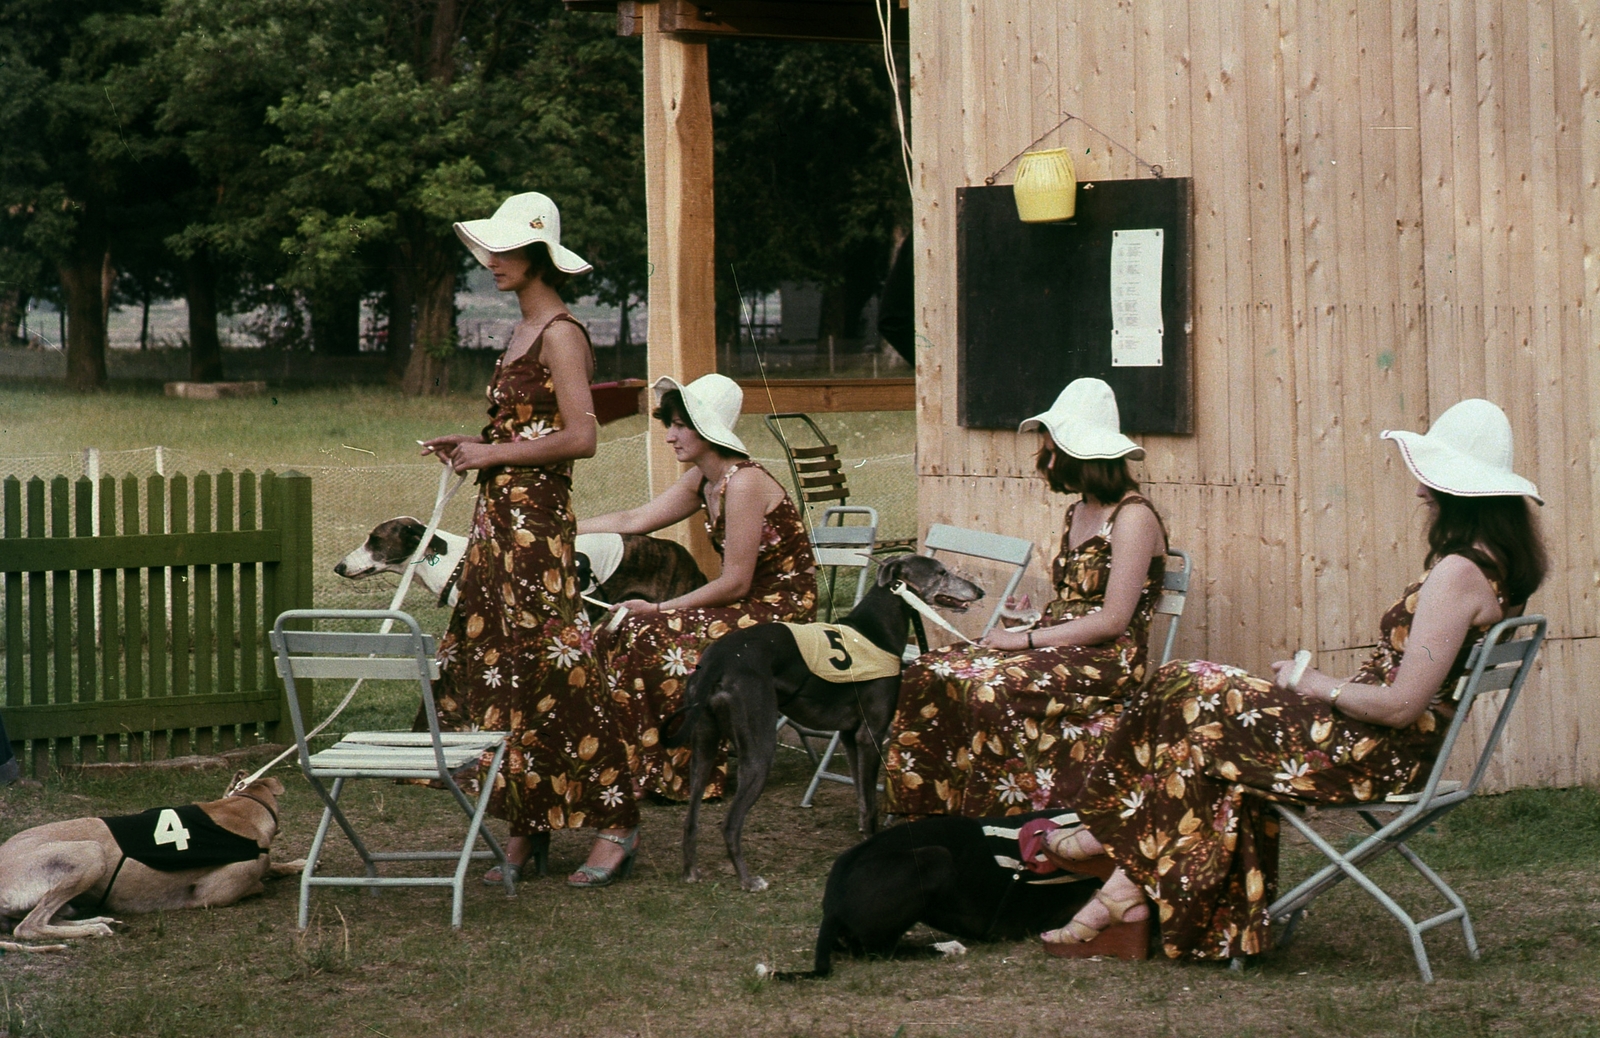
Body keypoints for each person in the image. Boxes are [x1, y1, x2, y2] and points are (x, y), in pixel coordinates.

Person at [1044, 398, 1548, 960]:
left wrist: (1315, 685)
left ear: (1460, 490)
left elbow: (1403, 705)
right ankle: (1119, 895)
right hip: (1368, 739)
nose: (1419, 490)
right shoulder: (1494, 567)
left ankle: (1108, 835)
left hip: (1370, 752)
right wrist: (1320, 687)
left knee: (1187, 688)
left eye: (1429, 477)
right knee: (1194, 715)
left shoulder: (1459, 574)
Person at [420, 192, 640, 889]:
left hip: (538, 528)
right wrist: (476, 444)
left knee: (558, 667)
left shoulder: (561, 333)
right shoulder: (517, 332)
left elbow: (582, 437)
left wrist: (494, 456)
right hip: (497, 524)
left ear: (539, 255)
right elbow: (525, 431)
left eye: (506, 251)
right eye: (490, 249)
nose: (491, 263)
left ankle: (619, 820)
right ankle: (527, 822)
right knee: (501, 671)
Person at [885, 378, 1169, 817]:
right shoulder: (1078, 510)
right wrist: (1032, 618)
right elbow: (1076, 600)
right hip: (1063, 643)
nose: (1045, 462)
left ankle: (998, 818)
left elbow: (1112, 620)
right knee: (929, 669)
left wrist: (1024, 641)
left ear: (1082, 456)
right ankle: (929, 811)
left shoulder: (1134, 518)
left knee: (989, 685)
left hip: (1107, 657)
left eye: (1051, 452)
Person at [581, 374, 817, 800]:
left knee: (650, 634)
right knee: (616, 629)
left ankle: (687, 772)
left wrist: (660, 609)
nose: (669, 436)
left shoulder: (744, 481)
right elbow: (634, 520)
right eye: (668, 424)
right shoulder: (703, 479)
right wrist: (562, 531)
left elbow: (735, 583)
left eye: (679, 425)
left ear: (708, 430)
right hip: (745, 603)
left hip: (781, 611)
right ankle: (631, 765)